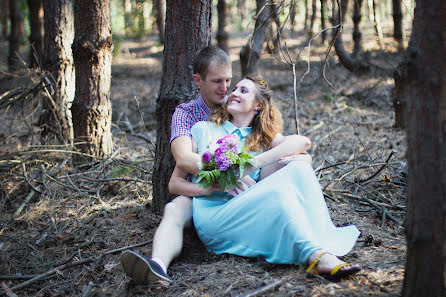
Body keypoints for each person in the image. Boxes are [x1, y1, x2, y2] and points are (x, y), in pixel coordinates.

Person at [169, 75, 361, 280]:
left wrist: (250, 165)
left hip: (250, 209)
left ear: (258, 105)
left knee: (300, 168)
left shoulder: (261, 139)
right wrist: (212, 185)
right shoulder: (203, 129)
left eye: (243, 91)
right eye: (235, 89)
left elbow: (302, 142)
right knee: (278, 191)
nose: (233, 93)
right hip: (215, 216)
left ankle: (318, 246)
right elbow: (175, 183)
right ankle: (316, 256)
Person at [120, 45, 233, 284]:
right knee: (173, 210)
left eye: (227, 80)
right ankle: (157, 268)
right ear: (197, 80)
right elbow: (184, 159)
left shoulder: (236, 107)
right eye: (216, 81)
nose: (224, 88)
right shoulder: (186, 113)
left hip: (237, 190)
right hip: (198, 194)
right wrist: (225, 170)